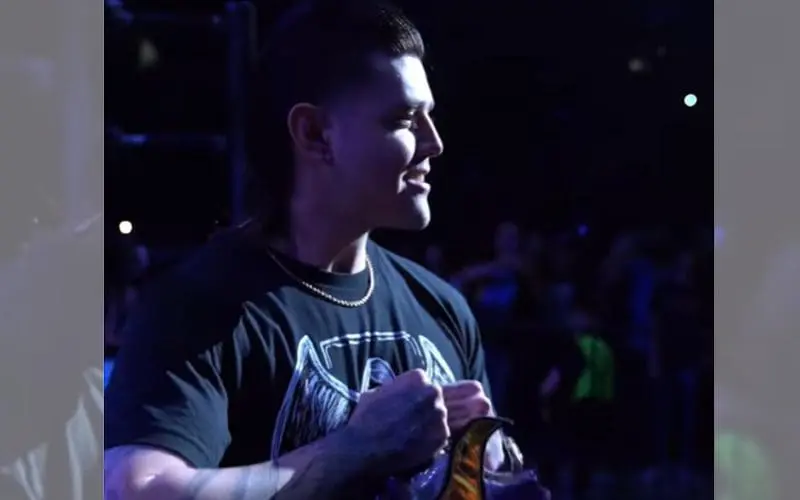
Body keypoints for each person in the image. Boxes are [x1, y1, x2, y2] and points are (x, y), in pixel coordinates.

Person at [104, 2, 527, 499]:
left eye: (429, 118)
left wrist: (486, 464)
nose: (433, 143)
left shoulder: (442, 307)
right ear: (313, 133)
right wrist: (356, 447)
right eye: (404, 119)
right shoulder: (202, 309)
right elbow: (136, 490)